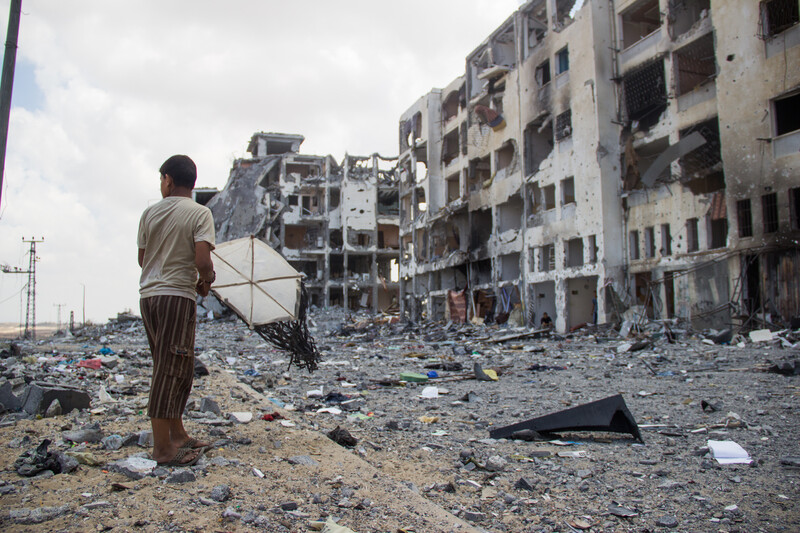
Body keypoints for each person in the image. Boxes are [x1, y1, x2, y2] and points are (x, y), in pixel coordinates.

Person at [137, 155, 216, 467]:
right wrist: (206, 280)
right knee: (171, 368)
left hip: (150, 296)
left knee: (173, 364)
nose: (161, 185)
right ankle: (162, 449)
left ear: (168, 179)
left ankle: (178, 434)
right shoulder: (199, 213)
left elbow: (143, 259)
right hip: (177, 297)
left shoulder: (149, 214)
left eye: (161, 180)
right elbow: (202, 261)